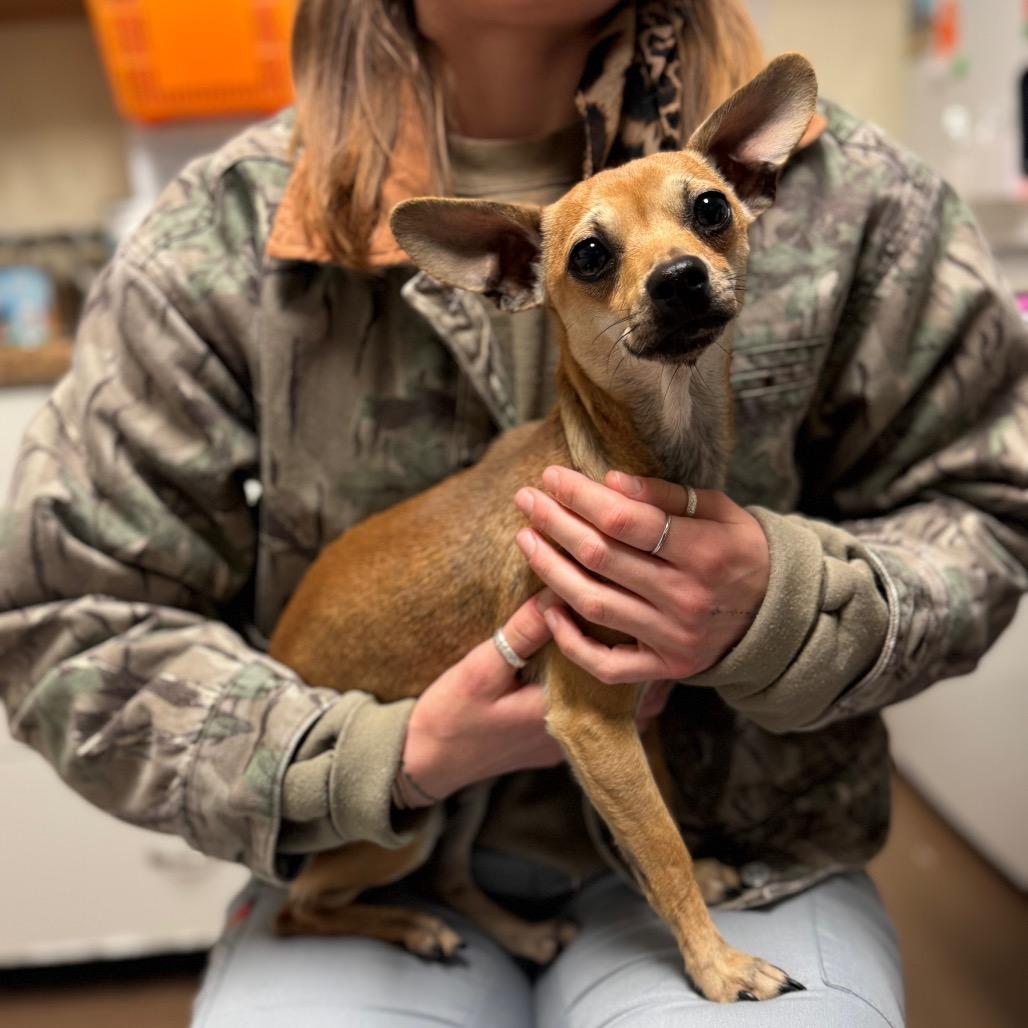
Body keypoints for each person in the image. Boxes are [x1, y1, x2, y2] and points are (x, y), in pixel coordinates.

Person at [1, 0, 1025, 1024]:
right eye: (591, 258)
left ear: (751, 181)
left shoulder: (858, 191)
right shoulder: (222, 232)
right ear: (508, 273)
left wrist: (785, 600)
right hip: (381, 844)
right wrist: (378, 758)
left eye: (705, 214)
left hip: (753, 849)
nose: (672, 260)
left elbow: (987, 508)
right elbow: (65, 620)